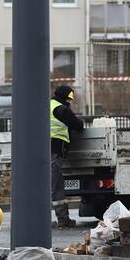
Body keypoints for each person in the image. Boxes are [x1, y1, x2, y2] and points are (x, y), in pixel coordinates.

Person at [51, 85, 84, 228]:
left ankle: (63, 219)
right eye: (68, 98)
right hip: (53, 149)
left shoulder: (49, 105)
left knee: (58, 188)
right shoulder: (61, 109)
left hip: (51, 151)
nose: (69, 101)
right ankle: (36, 220)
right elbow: (78, 125)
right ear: (65, 97)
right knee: (50, 186)